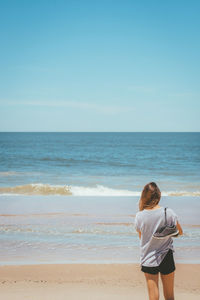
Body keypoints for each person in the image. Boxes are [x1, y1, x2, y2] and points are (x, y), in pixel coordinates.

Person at [135, 182, 183, 300]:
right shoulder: (169, 212)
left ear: (144, 196)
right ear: (159, 196)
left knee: (153, 296)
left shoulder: (139, 216)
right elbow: (180, 232)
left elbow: (142, 237)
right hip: (166, 255)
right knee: (170, 296)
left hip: (148, 257)